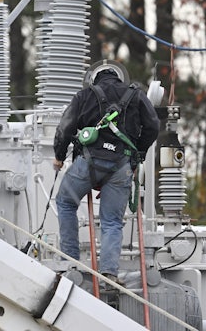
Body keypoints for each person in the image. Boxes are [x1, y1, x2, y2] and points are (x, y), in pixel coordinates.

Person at [52, 62, 159, 285]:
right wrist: (139, 151)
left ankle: (71, 262)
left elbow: (65, 127)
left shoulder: (84, 95)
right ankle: (109, 273)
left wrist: (59, 156)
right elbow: (153, 126)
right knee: (112, 221)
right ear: (120, 77)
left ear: (93, 79)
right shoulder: (136, 95)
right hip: (122, 166)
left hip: (88, 163)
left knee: (65, 202)